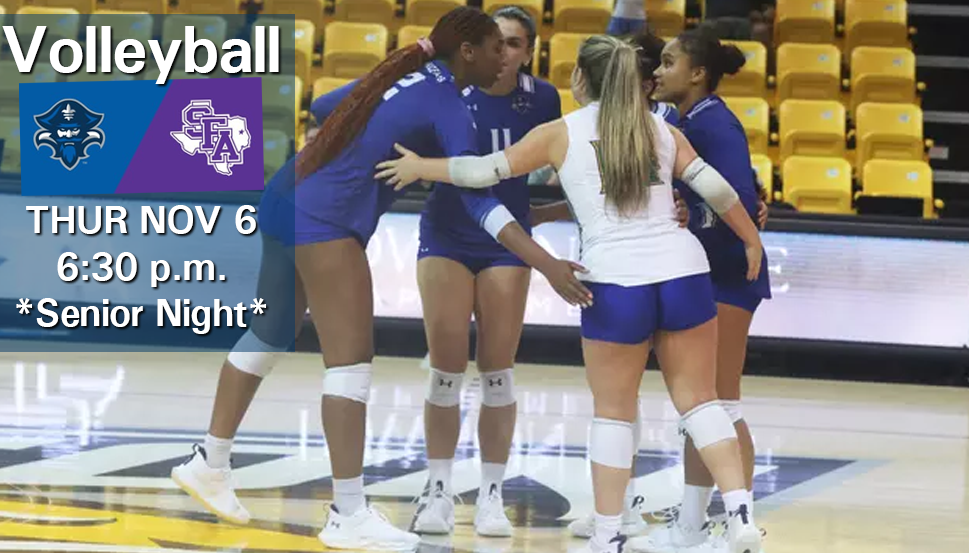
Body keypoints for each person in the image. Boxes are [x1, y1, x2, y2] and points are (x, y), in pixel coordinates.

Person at [168, 7, 591, 552]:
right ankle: (348, 514)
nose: (502, 59)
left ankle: (210, 460)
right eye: (494, 48)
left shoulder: (406, 71)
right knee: (351, 366)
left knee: (269, 334)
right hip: (325, 221)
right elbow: (480, 201)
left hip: (282, 197)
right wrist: (547, 263)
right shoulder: (451, 106)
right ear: (467, 52)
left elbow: (325, 107)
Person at [375, 34, 765, 553]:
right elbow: (716, 187)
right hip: (683, 270)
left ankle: (607, 536)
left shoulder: (560, 132)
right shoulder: (661, 127)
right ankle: (740, 517)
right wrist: (751, 238)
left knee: (614, 412)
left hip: (615, 279)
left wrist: (421, 167)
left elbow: (480, 171)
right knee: (701, 403)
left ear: (582, 79)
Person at [409, 6, 561, 539]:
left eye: (515, 43)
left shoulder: (543, 100)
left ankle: (492, 495)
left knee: (497, 370)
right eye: (498, 41)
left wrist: (556, 212)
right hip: (447, 235)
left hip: (507, 242)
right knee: (446, 368)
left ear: (530, 51)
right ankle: (437, 489)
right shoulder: (451, 89)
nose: (505, 51)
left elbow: (569, 168)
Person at [528, 29, 681, 540]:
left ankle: (624, 514)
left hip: (630, 273)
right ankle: (627, 508)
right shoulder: (645, 122)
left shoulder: (650, 123)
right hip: (668, 270)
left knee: (627, 403)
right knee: (637, 401)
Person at [631, 27, 772, 553]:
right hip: (704, 273)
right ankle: (691, 525)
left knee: (721, 404)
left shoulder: (716, 122)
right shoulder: (682, 120)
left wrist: (700, 221)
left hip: (729, 274)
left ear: (697, 74)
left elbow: (737, 199)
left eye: (668, 63)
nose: (658, 71)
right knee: (702, 406)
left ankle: (740, 525)